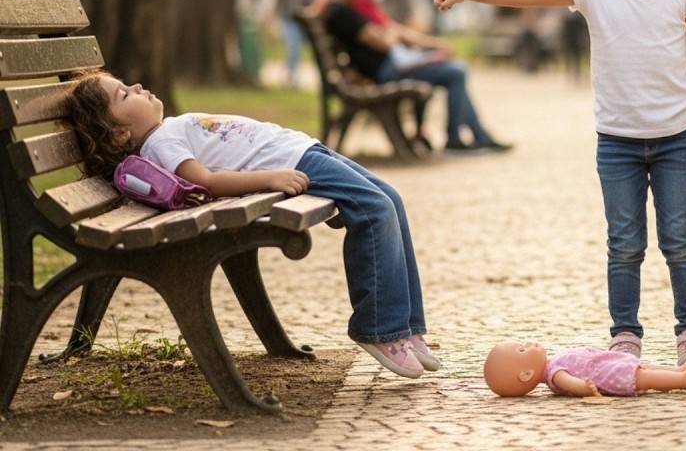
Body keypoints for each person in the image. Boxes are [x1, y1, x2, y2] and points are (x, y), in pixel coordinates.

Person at [420, 0, 686, 374]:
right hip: (617, 143)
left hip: (675, 140)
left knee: (680, 239)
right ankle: (625, 334)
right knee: (625, 243)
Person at [63, 71, 440, 379]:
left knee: (389, 197)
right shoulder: (159, 145)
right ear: (119, 133)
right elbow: (208, 181)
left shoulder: (166, 130)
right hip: (292, 161)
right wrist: (271, 178)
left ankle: (406, 326)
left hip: (299, 149)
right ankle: (378, 328)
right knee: (375, 208)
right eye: (125, 95)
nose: (137, 87)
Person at [324, 0, 511, 154]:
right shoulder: (341, 12)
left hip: (389, 66)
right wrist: (388, 36)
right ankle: (457, 138)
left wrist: (388, 35)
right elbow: (383, 42)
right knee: (456, 72)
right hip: (387, 70)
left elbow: (382, 34)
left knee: (454, 70)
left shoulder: (342, 9)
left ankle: (475, 136)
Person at [483, 340, 686, 398]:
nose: (529, 343)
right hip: (608, 374)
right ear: (526, 374)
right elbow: (570, 383)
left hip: (607, 362)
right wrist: (584, 388)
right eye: (522, 349)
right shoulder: (554, 375)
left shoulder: (553, 363)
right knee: (645, 377)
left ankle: (678, 370)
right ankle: (682, 381)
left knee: (643, 366)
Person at [275, 0, 314, 88]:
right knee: (292, 46)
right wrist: (275, 14)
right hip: (288, 17)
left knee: (296, 48)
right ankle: (290, 76)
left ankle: (291, 75)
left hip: (300, 18)